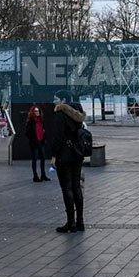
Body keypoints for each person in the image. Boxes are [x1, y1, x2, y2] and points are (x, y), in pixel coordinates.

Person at [47, 92, 86, 233]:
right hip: (77, 154)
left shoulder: (60, 115)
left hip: (64, 154)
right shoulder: (78, 113)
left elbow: (57, 137)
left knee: (67, 188)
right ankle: (80, 221)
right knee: (76, 187)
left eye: (55, 99)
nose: (53, 101)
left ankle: (71, 222)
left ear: (63, 100)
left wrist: (53, 155)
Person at [25, 104, 48, 182]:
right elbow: (27, 133)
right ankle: (35, 176)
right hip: (34, 143)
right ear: (32, 112)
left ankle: (43, 174)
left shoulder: (41, 120)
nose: (37, 112)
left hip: (41, 142)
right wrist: (33, 139)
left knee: (43, 158)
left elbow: (43, 129)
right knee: (34, 159)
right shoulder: (30, 122)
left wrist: (43, 134)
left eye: (38, 111)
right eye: (35, 111)